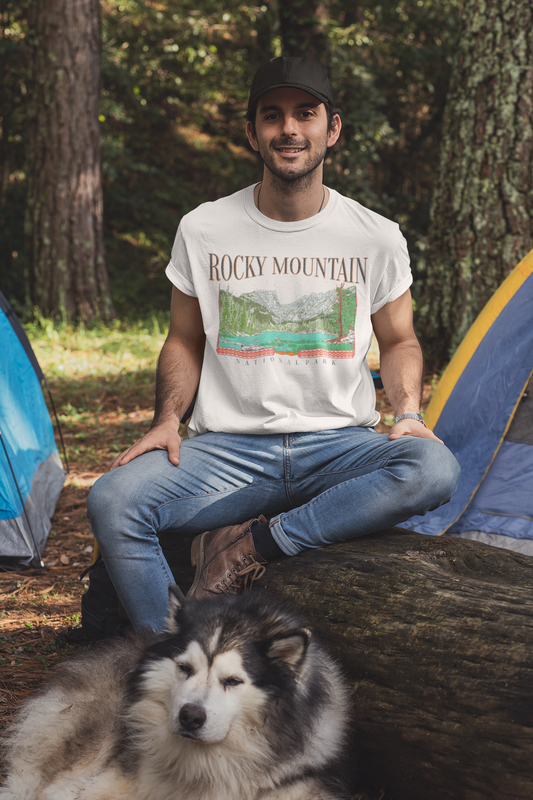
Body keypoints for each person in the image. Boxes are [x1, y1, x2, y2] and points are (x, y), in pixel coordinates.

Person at [87, 56, 460, 632]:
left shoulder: (376, 236)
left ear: (331, 128)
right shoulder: (204, 228)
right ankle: (172, 658)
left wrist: (407, 411)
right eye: (272, 115)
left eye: (305, 114)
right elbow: (184, 339)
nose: (289, 129)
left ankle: (253, 548)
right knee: (113, 499)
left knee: (433, 466)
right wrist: (166, 419)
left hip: (338, 446)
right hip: (231, 454)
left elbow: (401, 339)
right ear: (252, 132)